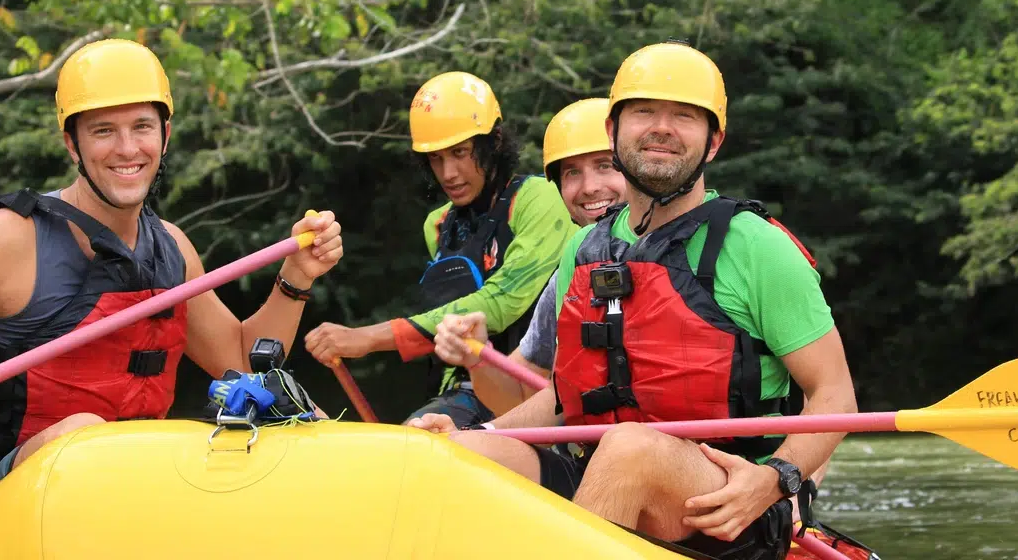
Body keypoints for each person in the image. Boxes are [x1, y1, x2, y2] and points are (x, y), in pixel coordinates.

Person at [408, 42, 858, 560]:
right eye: (644, 111)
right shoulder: (584, 248)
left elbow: (834, 397)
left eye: (684, 116)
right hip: (600, 471)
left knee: (630, 448)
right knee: (452, 454)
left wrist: (777, 478)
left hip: (730, 497)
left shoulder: (758, 246)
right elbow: (565, 396)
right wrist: (475, 431)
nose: (661, 127)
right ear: (613, 131)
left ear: (713, 142)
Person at [0, 38, 345, 524]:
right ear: (73, 143)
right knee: (87, 438)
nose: (127, 149)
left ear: (165, 136)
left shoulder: (171, 248)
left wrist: (295, 277)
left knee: (281, 417)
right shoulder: (4, 239)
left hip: (134, 487)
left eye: (142, 127)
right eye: (103, 130)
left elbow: (240, 360)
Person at [305, 71, 572, 427]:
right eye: (435, 158)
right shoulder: (438, 224)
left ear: (493, 142)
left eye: (460, 153)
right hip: (463, 388)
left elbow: (502, 302)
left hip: (533, 387)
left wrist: (368, 338)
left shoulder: (540, 199)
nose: (448, 173)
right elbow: (446, 322)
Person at [431, 97, 627, 416]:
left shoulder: (705, 245)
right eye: (572, 173)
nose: (589, 187)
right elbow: (518, 400)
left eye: (605, 166)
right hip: (590, 456)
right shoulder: (572, 271)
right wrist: (478, 358)